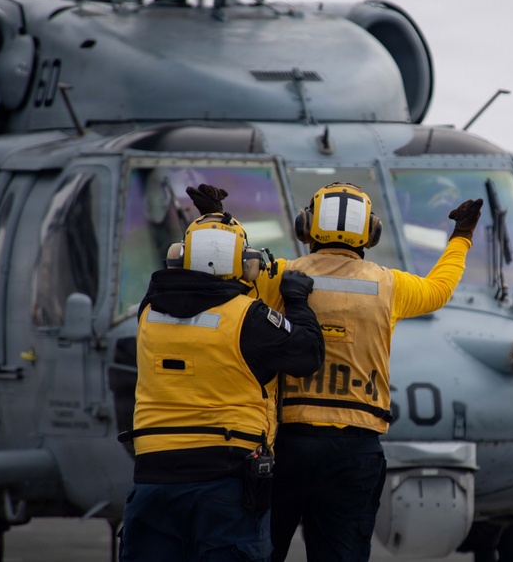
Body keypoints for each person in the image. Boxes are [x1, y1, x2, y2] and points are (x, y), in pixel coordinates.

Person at [260, 181, 483, 562]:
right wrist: (461, 236)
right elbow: (439, 289)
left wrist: (212, 221)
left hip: (287, 443)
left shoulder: (280, 276)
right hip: (355, 448)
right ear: (371, 232)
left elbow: (228, 283)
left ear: (305, 226)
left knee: (259, 550)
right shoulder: (389, 285)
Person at [118, 207, 325, 562]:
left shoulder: (148, 312)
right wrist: (296, 300)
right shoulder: (249, 318)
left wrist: (204, 229)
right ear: (246, 265)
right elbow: (308, 354)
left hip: (153, 477)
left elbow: (168, 284)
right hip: (226, 478)